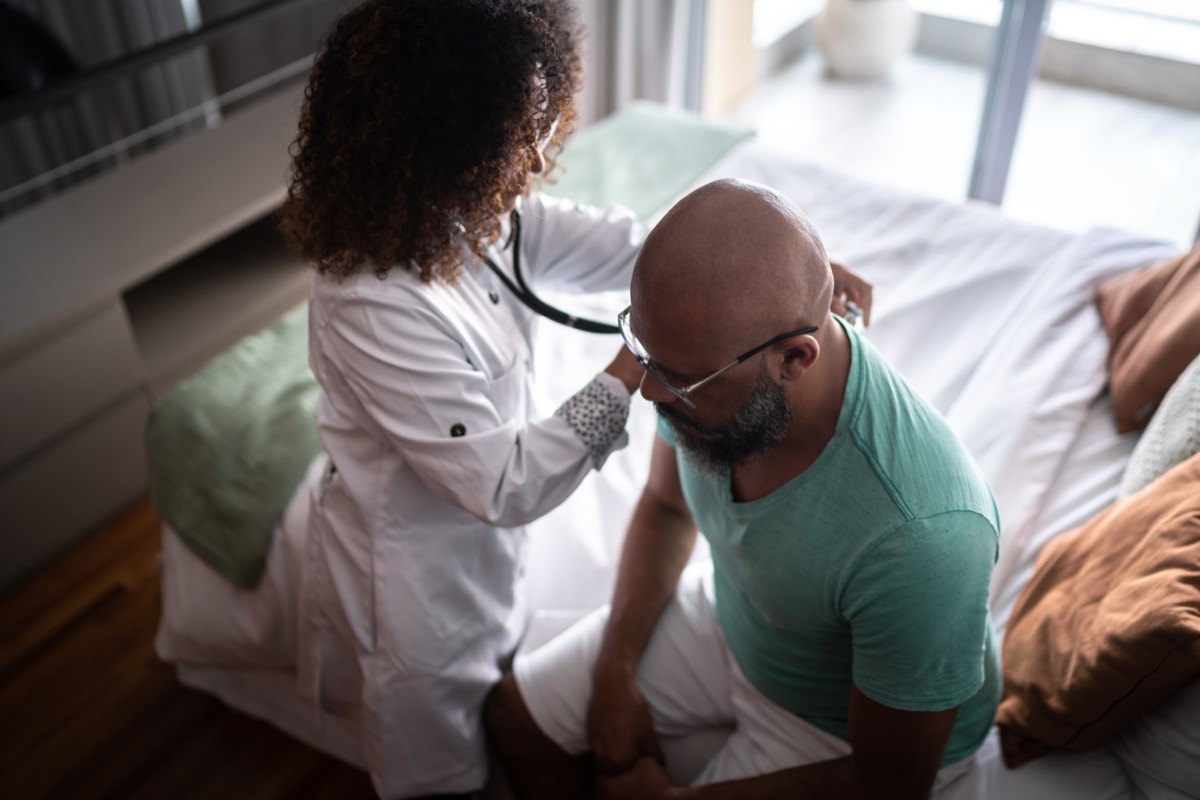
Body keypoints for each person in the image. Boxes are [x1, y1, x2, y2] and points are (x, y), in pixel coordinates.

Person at [280, 1, 873, 796]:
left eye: (535, 132)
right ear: (432, 143)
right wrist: (641, 359)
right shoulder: (368, 302)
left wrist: (776, 278)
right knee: (439, 772)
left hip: (480, 558)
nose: (532, 164)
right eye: (509, 140)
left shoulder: (471, 213)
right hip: (413, 589)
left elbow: (622, 245)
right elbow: (504, 483)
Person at [486, 178, 1000, 800]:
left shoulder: (926, 535)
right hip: (743, 620)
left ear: (795, 359)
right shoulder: (697, 368)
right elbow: (665, 506)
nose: (648, 392)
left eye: (674, 379)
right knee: (513, 722)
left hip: (839, 734)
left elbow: (888, 782)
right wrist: (615, 672)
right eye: (644, 357)